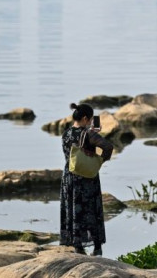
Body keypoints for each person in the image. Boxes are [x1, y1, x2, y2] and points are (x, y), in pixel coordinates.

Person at [60, 103, 113, 256]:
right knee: (91, 210)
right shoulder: (89, 134)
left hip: (69, 176)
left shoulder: (66, 133)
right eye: (90, 120)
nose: (91, 122)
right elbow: (108, 147)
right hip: (87, 178)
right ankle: (97, 247)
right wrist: (100, 161)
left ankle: (77, 246)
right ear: (85, 118)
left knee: (73, 209)